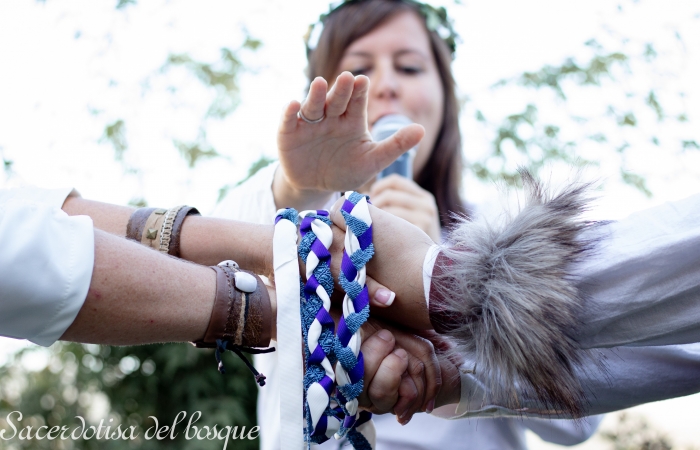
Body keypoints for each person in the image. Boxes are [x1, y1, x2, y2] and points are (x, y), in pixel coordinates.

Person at [214, 0, 601, 448]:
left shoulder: (500, 235)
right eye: (359, 68)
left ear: (445, 94)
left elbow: (576, 420)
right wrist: (300, 187)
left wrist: (448, 283)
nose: (386, 86)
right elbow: (204, 266)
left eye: (410, 68)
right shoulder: (290, 225)